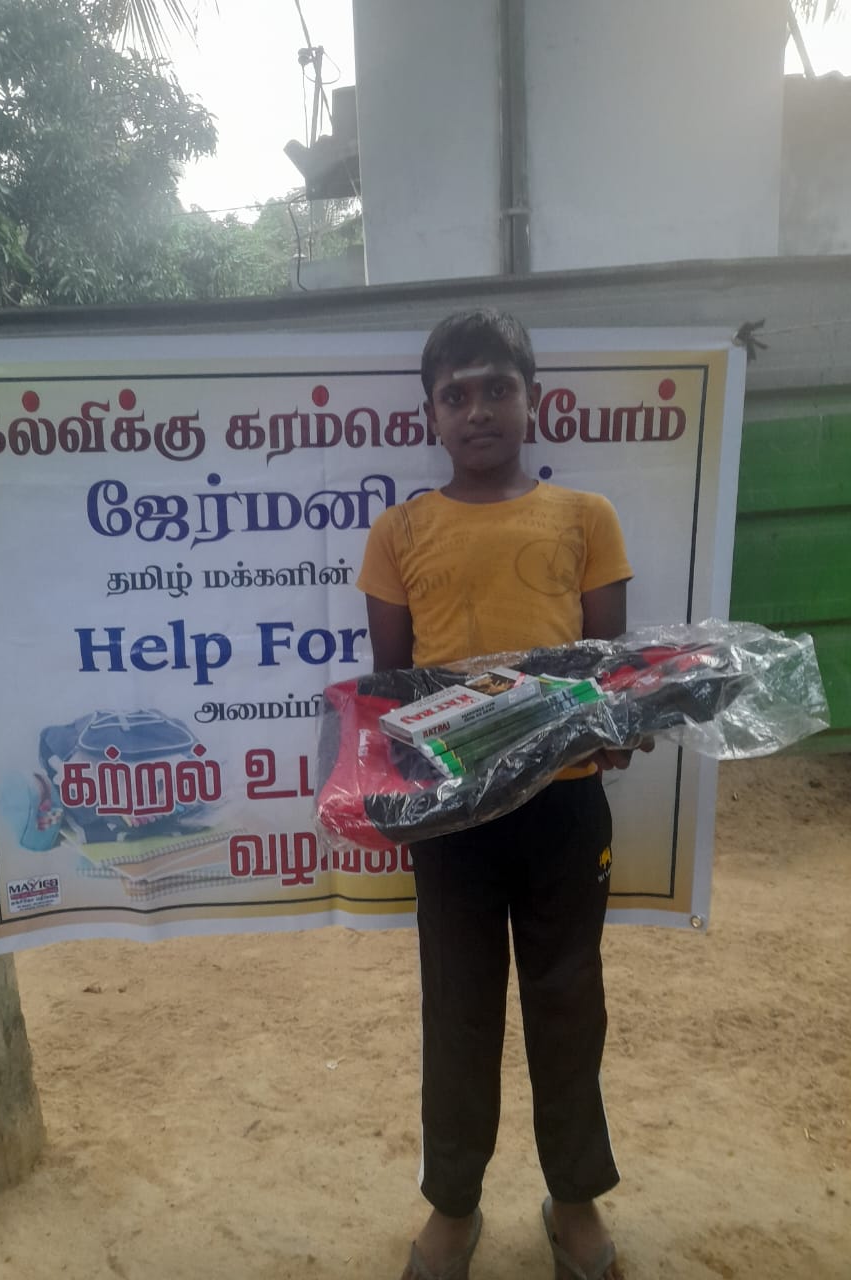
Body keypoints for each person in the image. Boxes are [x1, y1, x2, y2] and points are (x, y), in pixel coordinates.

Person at [356, 309, 635, 1280]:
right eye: (456, 394)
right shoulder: (399, 532)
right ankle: (453, 1204)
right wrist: (401, 786)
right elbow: (395, 692)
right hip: (454, 818)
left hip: (564, 808)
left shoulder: (586, 518)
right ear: (431, 414)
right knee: (459, 1009)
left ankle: (575, 1199)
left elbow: (604, 672)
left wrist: (616, 725)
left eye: (496, 389)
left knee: (569, 1002)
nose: (477, 409)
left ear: (533, 400)